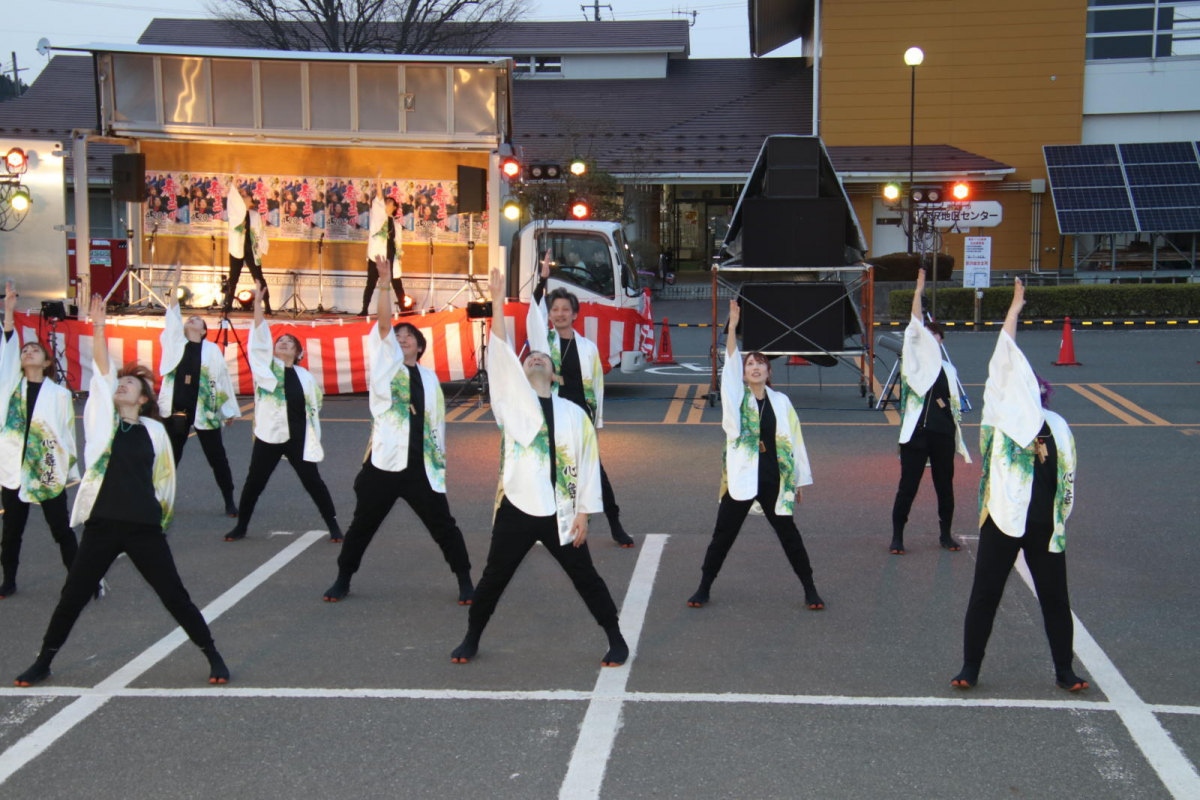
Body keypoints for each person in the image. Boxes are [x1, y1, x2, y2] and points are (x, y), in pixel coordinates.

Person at [13, 295, 229, 687]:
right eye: (119, 384)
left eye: (130, 384)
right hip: (101, 526)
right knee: (71, 598)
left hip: (144, 528)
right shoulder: (102, 421)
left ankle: (212, 655)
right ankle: (43, 662)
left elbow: (165, 482)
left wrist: (159, 522)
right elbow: (102, 371)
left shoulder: (155, 432)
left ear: (144, 399)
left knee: (174, 596)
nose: (121, 386)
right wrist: (98, 328)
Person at [448, 267, 628, 667]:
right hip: (516, 506)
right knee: (494, 578)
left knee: (586, 578)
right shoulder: (512, 406)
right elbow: (498, 354)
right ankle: (472, 636)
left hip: (562, 512)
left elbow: (588, 465)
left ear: (555, 373)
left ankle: (615, 637)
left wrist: (584, 511)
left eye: (542, 358)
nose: (535, 359)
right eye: (529, 357)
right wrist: (497, 301)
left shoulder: (572, 414)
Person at [951, 278, 1087, 692]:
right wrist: (1013, 311)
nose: (1025, 392)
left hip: (1045, 525)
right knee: (985, 595)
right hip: (1003, 518)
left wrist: (1061, 518)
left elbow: (1068, 476)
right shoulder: (998, 423)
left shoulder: (1059, 428)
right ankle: (970, 668)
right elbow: (1003, 362)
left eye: (1033, 390)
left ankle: (1064, 671)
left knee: (1055, 600)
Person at [323, 256, 473, 604]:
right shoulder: (386, 365)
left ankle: (464, 579)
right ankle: (343, 578)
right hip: (385, 464)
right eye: (399, 335)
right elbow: (383, 324)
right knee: (362, 526)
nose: (402, 338)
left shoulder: (430, 377)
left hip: (422, 466)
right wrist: (384, 282)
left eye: (410, 336)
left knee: (444, 527)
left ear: (420, 347)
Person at [686, 299, 824, 611]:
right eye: (750, 364)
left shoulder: (781, 402)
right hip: (741, 477)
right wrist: (732, 328)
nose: (755, 367)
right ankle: (704, 586)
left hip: (774, 476)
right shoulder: (736, 398)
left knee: (789, 535)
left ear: (769, 371)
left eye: (761, 363)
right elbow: (731, 368)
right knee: (723, 535)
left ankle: (810, 588)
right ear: (745, 373)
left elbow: (795, 442)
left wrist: (798, 481)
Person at [223, 282, 340, 542]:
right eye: (280, 341)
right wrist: (257, 308)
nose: (284, 343)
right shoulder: (265, 369)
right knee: (255, 482)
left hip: (298, 436)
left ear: (299, 353)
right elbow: (259, 341)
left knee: (314, 483)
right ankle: (241, 526)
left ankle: (333, 526)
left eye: (290, 342)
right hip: (269, 436)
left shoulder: (305, 376)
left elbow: (315, 403)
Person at [532, 251, 634, 547]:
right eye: (555, 309)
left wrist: (597, 422)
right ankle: (545, 526)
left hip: (580, 417)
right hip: (550, 416)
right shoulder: (543, 343)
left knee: (594, 472)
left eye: (566, 309)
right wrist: (544, 279)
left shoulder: (588, 348)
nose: (560, 314)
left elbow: (597, 388)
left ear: (575, 314)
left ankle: (615, 523)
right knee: (548, 472)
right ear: (549, 315)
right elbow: (535, 307)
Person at [0, 281, 81, 599]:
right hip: (14, 470)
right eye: (24, 350)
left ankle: (78, 580)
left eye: (34, 349)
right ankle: (9, 580)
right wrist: (8, 311)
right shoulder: (9, 387)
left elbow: (66, 434)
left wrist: (67, 468)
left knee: (60, 529)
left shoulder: (60, 394)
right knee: (11, 532)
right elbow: (7, 348)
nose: (27, 351)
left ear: (48, 362)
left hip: (47, 468)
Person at [889, 268, 972, 555]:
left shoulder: (949, 370)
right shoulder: (913, 363)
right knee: (907, 487)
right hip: (916, 435)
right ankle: (897, 536)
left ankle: (945, 534)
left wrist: (953, 431)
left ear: (941, 342)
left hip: (942, 435)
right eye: (926, 336)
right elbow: (914, 323)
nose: (930, 340)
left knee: (944, 487)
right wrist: (918, 290)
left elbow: (955, 405)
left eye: (935, 337)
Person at [159, 268, 241, 517]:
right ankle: (161, 501)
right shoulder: (175, 344)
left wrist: (228, 409)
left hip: (205, 409)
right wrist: (175, 284)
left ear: (205, 331)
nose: (191, 320)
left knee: (218, 458)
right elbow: (172, 317)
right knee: (170, 459)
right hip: (176, 409)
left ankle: (228, 499)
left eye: (198, 320)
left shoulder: (212, 351)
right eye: (189, 318)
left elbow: (222, 380)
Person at [222, 180, 271, 314]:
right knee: (233, 278)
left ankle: (267, 305)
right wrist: (235, 180)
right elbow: (233, 198)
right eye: (243, 198)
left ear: (250, 204)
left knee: (258, 277)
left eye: (246, 199)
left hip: (251, 249)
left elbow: (260, 233)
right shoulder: (235, 214)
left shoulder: (255, 216)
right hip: (237, 248)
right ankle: (228, 304)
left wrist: (261, 247)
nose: (244, 199)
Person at [360, 194, 408, 316]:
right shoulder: (379, 219)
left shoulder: (396, 225)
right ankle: (364, 309)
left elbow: (397, 243)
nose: (387, 203)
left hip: (391, 257)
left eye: (390, 202)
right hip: (377, 256)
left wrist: (399, 255)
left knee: (397, 284)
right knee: (370, 283)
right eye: (385, 201)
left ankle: (404, 310)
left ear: (395, 206)